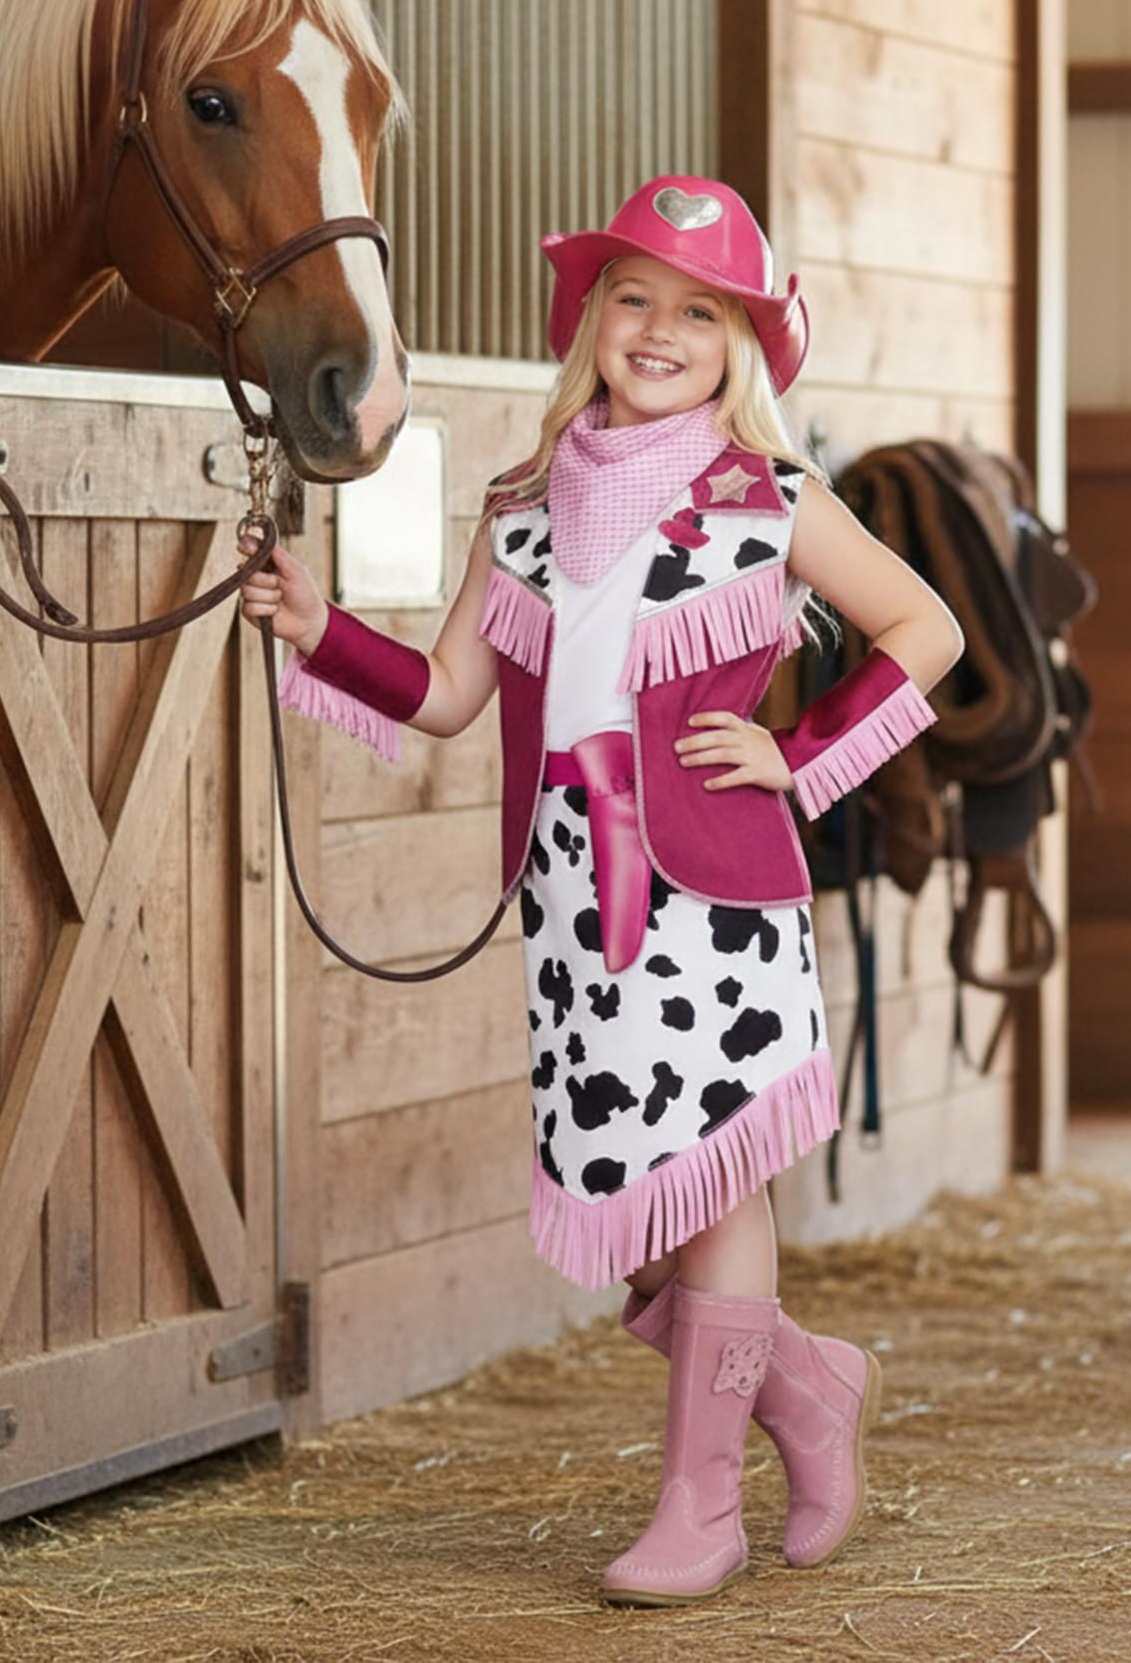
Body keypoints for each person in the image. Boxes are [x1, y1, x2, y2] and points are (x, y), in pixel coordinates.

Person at [239, 175, 963, 1607]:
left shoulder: (772, 500)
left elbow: (922, 628)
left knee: (714, 1185)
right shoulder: (519, 510)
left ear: (740, 343)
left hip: (717, 903)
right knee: (641, 1213)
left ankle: (701, 1509)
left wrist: (798, 751)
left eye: (699, 310)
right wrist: (323, 634)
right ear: (592, 318)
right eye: (634, 297)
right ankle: (812, 1393)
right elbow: (450, 694)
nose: (659, 328)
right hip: (574, 910)